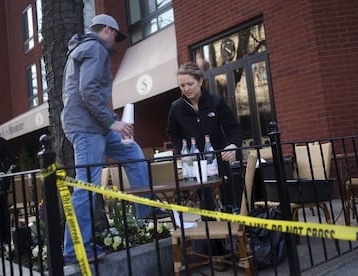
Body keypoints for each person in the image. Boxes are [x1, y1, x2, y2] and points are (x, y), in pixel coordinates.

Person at [61, 14, 154, 264]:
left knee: (133, 153)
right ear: (106, 30)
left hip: (95, 125)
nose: (116, 41)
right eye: (115, 35)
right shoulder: (95, 48)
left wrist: (111, 122)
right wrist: (113, 122)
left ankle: (147, 213)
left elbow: (87, 93)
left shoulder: (84, 49)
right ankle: (73, 250)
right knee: (87, 186)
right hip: (88, 128)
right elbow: (88, 90)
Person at [166, 62, 243, 213]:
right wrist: (182, 150)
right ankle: (212, 234)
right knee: (206, 206)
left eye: (190, 84)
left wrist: (233, 145)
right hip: (194, 163)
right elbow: (173, 132)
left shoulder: (216, 102)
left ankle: (233, 232)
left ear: (200, 81)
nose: (186, 89)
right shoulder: (176, 108)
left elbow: (233, 127)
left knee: (229, 202)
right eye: (182, 86)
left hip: (220, 158)